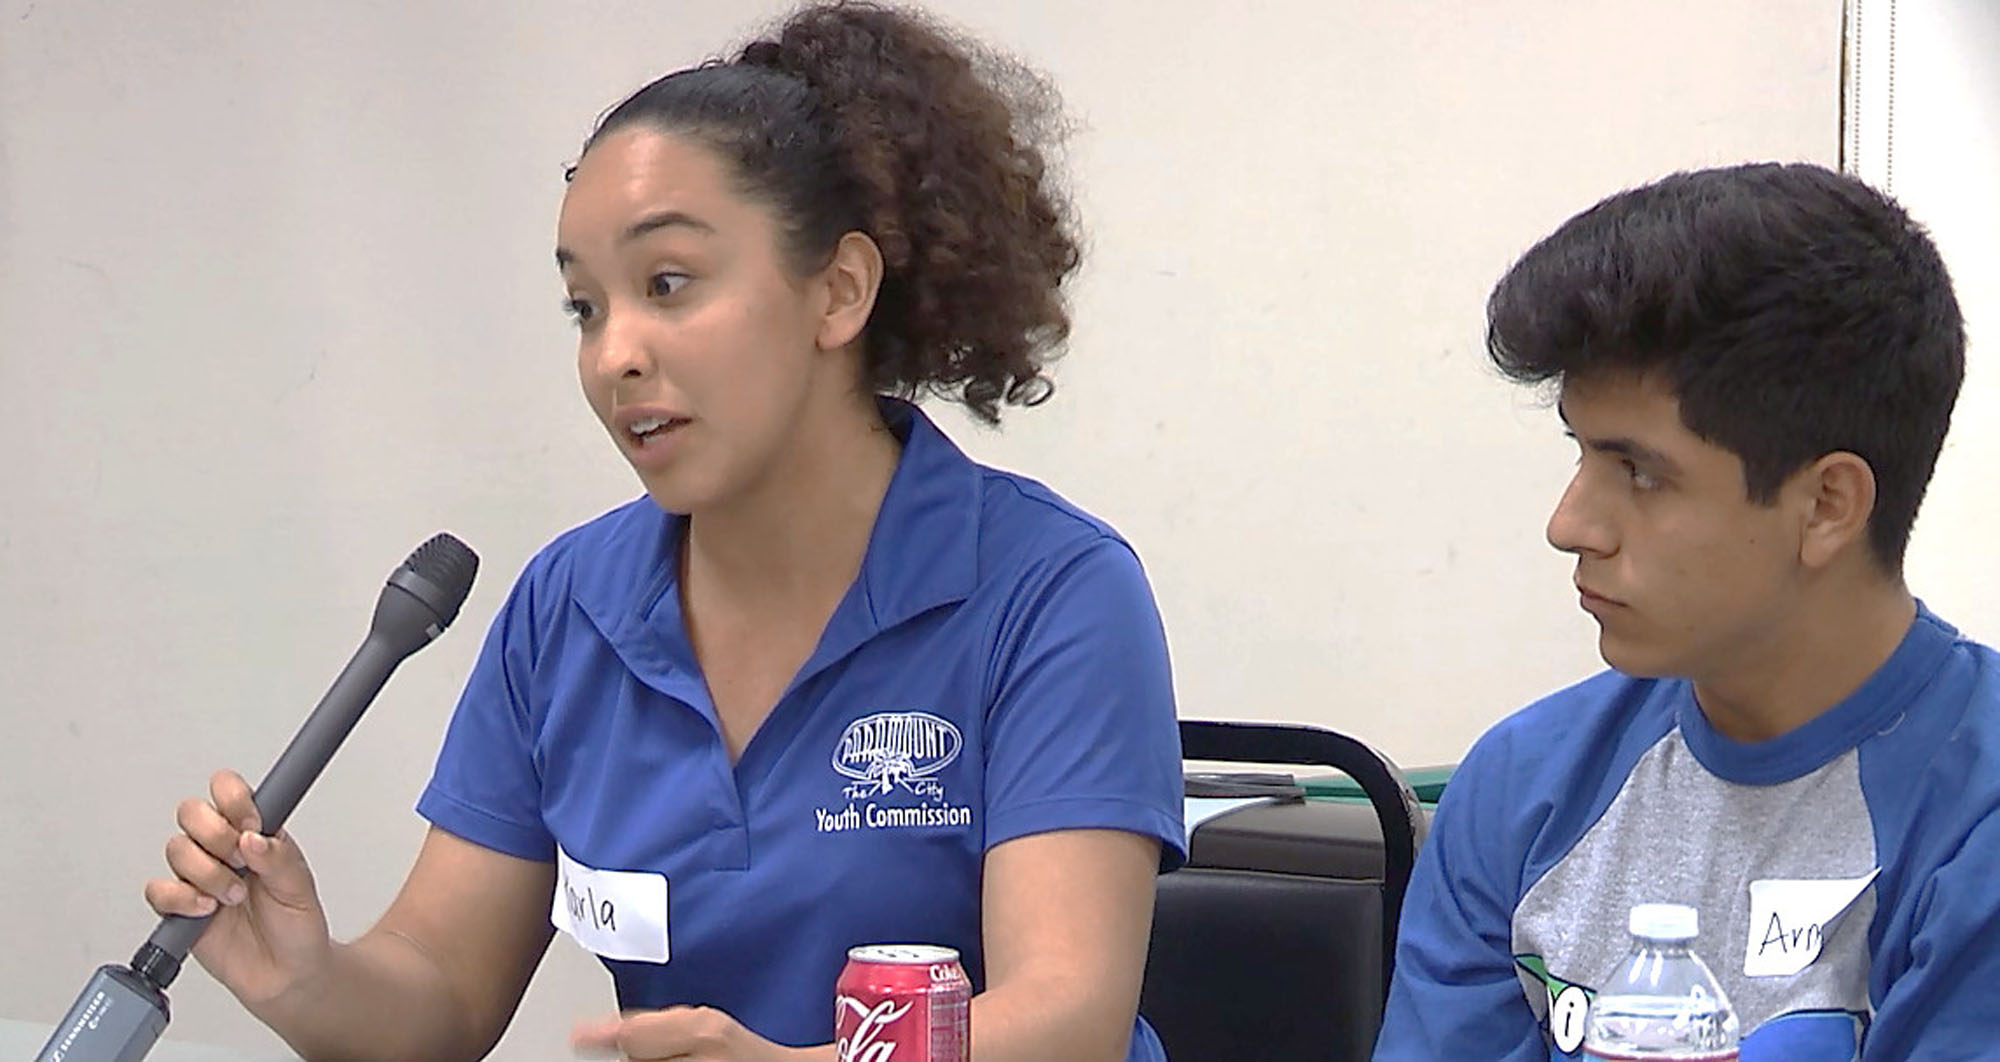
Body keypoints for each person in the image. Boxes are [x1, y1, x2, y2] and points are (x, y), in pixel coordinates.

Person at [144, 5, 1185, 1060]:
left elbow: (1066, 1016)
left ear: (838, 291)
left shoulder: (1050, 589)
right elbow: (441, 1001)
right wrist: (306, 979)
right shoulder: (568, 608)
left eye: (667, 285)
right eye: (583, 308)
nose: (614, 355)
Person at [1373, 163, 2000, 1060]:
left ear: (1826, 505)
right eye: (1579, 452)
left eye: (1638, 470)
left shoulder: (1975, 818)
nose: (1568, 525)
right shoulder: (1522, 789)